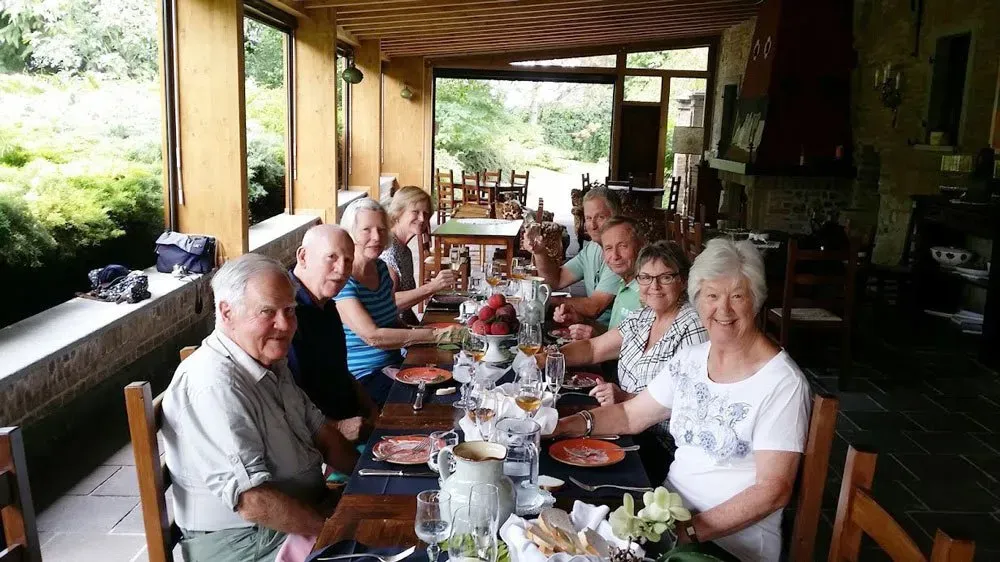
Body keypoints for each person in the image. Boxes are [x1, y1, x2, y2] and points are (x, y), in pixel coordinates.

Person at [552, 238, 812, 561]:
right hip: (665, 520)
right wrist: (562, 426)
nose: (723, 310)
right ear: (698, 300)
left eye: (737, 296)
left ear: (756, 300)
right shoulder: (692, 358)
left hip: (726, 546)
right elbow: (632, 416)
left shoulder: (783, 384)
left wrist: (689, 530)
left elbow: (773, 490)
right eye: (711, 296)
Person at [161, 253, 359, 562]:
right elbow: (253, 502)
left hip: (294, 515)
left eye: (290, 311)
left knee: (399, 512)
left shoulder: (268, 361)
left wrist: (367, 476)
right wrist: (334, 530)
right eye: (268, 312)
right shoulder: (214, 383)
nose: (284, 325)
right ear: (227, 312)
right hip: (246, 541)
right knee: (374, 547)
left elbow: (324, 436)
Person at [546, 240, 707, 483]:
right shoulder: (644, 317)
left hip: (661, 448)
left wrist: (627, 399)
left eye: (665, 278)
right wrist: (544, 359)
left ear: (682, 280)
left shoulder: (692, 327)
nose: (654, 286)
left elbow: (690, 408)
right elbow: (592, 348)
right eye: (645, 277)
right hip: (625, 427)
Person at [336, 198, 458, 404]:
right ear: (350, 234)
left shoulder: (381, 269)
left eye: (381, 230)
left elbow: (391, 320)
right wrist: (434, 335)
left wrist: (424, 336)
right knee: (430, 402)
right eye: (366, 230)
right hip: (363, 376)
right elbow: (373, 336)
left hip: (396, 363)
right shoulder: (344, 279)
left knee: (452, 381)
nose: (376, 237)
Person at [289, 224, 378, 443]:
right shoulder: (286, 313)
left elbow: (341, 372)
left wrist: (373, 410)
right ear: (303, 256)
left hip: (354, 421)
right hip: (318, 441)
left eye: (348, 260)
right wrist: (337, 427)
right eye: (331, 257)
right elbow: (282, 402)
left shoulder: (327, 305)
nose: (341, 269)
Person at [525, 187, 621, 325]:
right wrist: (540, 252)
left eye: (600, 217)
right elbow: (556, 280)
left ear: (616, 217)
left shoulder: (620, 256)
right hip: (589, 327)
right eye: (588, 218)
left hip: (611, 335)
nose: (592, 225)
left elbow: (593, 307)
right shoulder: (592, 248)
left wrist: (540, 300)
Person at [553, 216, 645, 340]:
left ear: (640, 247)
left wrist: (596, 339)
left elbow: (640, 351)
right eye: (608, 248)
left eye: (623, 246)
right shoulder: (624, 283)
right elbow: (616, 334)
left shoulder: (647, 291)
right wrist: (581, 322)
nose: (615, 255)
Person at [381, 185, 457, 325]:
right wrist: (432, 287)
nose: (422, 218)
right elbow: (389, 303)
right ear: (398, 213)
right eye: (415, 212)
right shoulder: (388, 250)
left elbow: (406, 310)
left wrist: (420, 327)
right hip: (392, 334)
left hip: (403, 328)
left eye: (426, 214)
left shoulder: (404, 250)